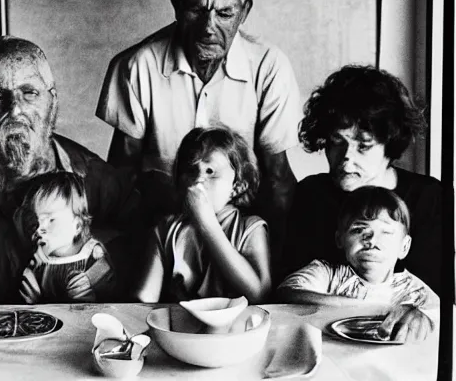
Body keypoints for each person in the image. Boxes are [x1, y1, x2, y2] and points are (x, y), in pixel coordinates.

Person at [96, 0, 302, 278]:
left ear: (243, 12)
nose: (208, 27)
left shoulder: (269, 66)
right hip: (162, 234)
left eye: (224, 13)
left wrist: (273, 267)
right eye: (196, 9)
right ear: (176, 4)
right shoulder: (135, 66)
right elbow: (121, 177)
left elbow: (278, 180)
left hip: (238, 237)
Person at [0, 36, 140, 304]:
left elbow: (143, 240)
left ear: (52, 104)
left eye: (29, 92)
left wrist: (98, 274)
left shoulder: (92, 175)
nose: (15, 109)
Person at [280, 64, 442, 340]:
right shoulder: (312, 194)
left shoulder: (429, 198)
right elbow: (291, 295)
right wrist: (377, 306)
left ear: (389, 146)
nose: (346, 158)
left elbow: (438, 300)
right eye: (336, 142)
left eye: (363, 145)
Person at [277, 186, 438, 342]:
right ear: (340, 239)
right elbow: (287, 292)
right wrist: (376, 309)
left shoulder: (415, 292)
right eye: (358, 230)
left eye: (386, 232)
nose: (372, 241)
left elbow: (442, 318)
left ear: (404, 247)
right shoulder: (328, 274)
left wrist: (421, 318)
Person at [133, 126, 272, 304]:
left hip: (236, 328)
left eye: (210, 172)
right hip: (181, 327)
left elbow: (259, 293)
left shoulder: (251, 228)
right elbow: (143, 299)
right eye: (190, 170)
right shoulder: (166, 229)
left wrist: (206, 223)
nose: (198, 179)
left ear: (237, 187)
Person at [16, 171, 116, 303]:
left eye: (51, 220)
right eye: (36, 220)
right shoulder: (40, 258)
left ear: (78, 226)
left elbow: (110, 295)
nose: (39, 228)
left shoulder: (93, 255)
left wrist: (89, 297)